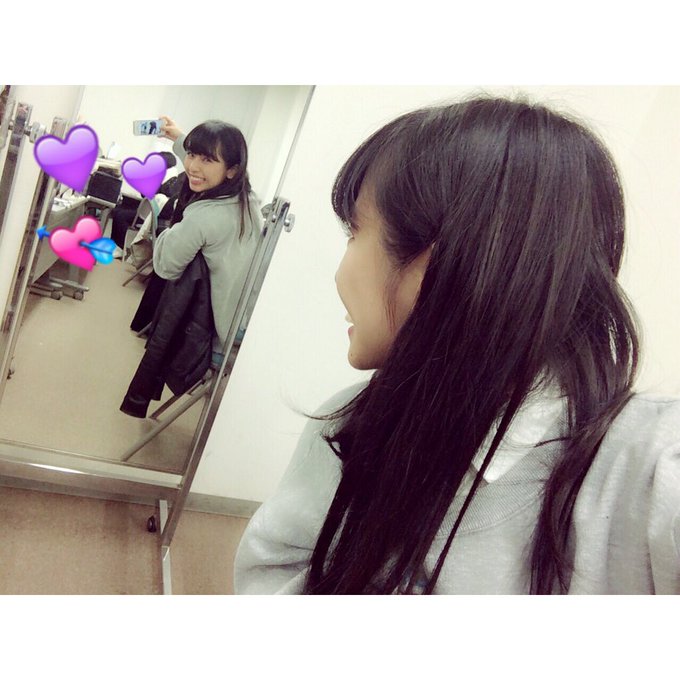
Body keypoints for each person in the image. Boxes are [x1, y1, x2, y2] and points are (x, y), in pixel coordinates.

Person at [233, 95, 680, 595]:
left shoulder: (654, 471)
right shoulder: (351, 425)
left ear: (441, 263)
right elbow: (268, 575)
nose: (340, 272)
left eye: (355, 230)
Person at [152, 116, 261, 361]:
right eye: (192, 154)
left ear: (232, 169)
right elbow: (205, 168)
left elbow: (166, 267)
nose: (192, 167)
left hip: (222, 334)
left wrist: (170, 231)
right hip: (248, 317)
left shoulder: (204, 217)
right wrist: (180, 138)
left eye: (207, 159)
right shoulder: (247, 199)